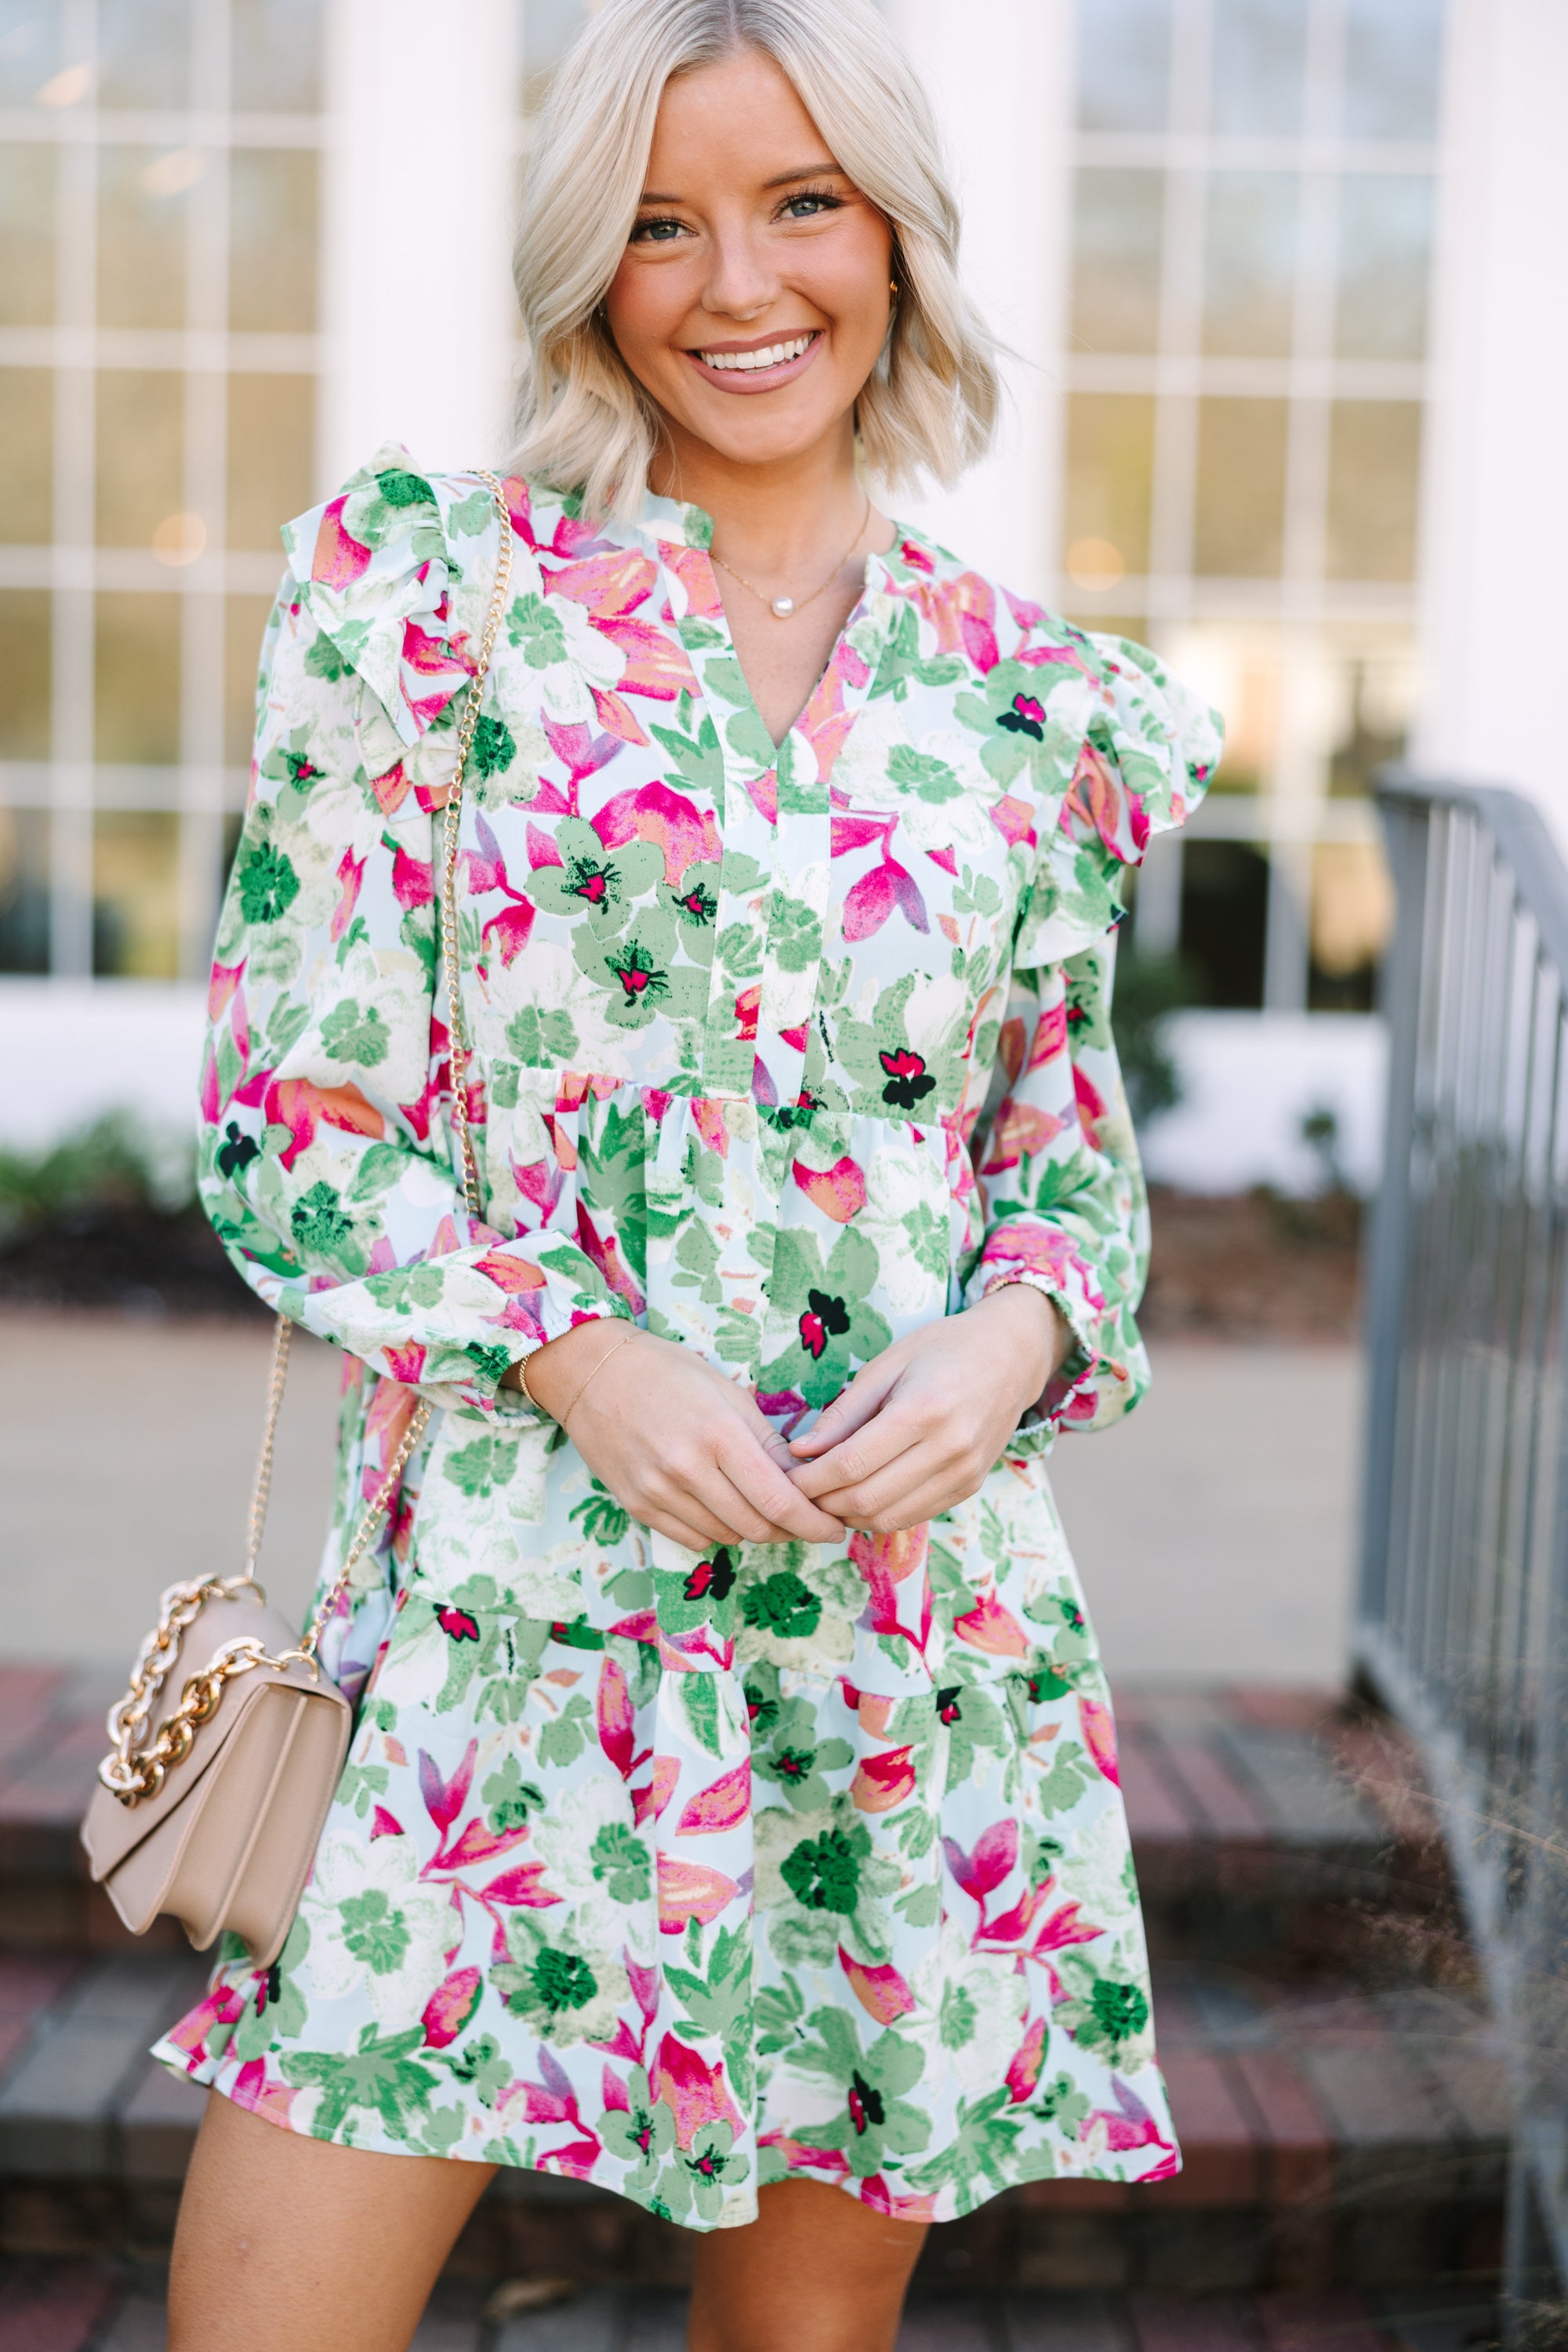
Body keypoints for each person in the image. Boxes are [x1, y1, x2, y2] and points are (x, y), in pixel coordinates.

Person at [158, 2, 1220, 2346]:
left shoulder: (1034, 703)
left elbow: (1072, 1171)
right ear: (584, 271)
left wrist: (1013, 1331)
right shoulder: (433, 602)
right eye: (659, 222)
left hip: (898, 1648)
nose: (739, 284)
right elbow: (287, 1119)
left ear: (897, 234)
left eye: (800, 204)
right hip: (496, 1644)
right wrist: (577, 1347)